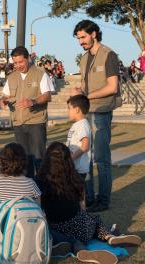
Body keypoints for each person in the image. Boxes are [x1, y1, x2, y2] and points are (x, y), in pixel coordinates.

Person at [36, 142, 142, 264]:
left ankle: (73, 247)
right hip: (81, 228)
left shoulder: (39, 180)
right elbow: (83, 209)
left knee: (57, 232)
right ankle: (109, 237)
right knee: (95, 221)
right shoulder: (76, 178)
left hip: (55, 230)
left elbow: (39, 210)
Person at [72, 20, 122, 212]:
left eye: (83, 37)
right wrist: (79, 92)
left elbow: (112, 87)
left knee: (101, 159)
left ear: (94, 34)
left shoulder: (109, 55)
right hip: (86, 112)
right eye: (78, 38)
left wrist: (86, 95)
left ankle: (103, 200)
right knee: (87, 158)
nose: (81, 41)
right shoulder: (84, 58)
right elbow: (86, 87)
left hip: (101, 112)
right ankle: (90, 198)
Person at [1, 46, 54, 178]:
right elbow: (5, 95)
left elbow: (47, 95)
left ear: (28, 58)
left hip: (36, 122)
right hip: (18, 123)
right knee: (24, 161)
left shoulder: (41, 74)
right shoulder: (11, 77)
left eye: (21, 62)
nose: (18, 65)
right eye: (15, 63)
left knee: (39, 159)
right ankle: (28, 191)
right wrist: (3, 101)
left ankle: (43, 190)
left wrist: (33, 102)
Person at [0, 143, 41, 256]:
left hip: (3, 240)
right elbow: (38, 213)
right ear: (23, 162)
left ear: (1, 161)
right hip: (28, 239)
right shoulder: (31, 183)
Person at [66, 95, 91, 185]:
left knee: (78, 194)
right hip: (74, 168)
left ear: (77, 109)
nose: (68, 111)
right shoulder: (77, 124)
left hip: (79, 169)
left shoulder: (82, 125)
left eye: (69, 108)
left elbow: (85, 146)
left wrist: (70, 159)